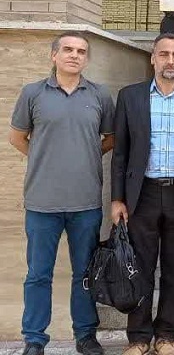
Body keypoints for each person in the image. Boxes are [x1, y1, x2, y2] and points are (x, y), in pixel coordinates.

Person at [9, 32, 115, 355]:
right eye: (67, 49)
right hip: (43, 203)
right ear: (53, 55)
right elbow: (17, 137)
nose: (74, 55)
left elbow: (110, 138)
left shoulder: (99, 94)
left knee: (84, 273)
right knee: (38, 274)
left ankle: (85, 335)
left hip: (86, 202)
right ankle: (34, 339)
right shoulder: (33, 93)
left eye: (81, 51)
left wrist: (86, 155)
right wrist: (46, 158)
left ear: (86, 58)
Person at [111, 33, 174, 355]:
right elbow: (120, 153)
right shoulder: (130, 96)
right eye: (164, 54)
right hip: (141, 195)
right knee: (140, 268)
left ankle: (167, 336)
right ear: (153, 58)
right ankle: (139, 338)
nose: (171, 61)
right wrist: (117, 198)